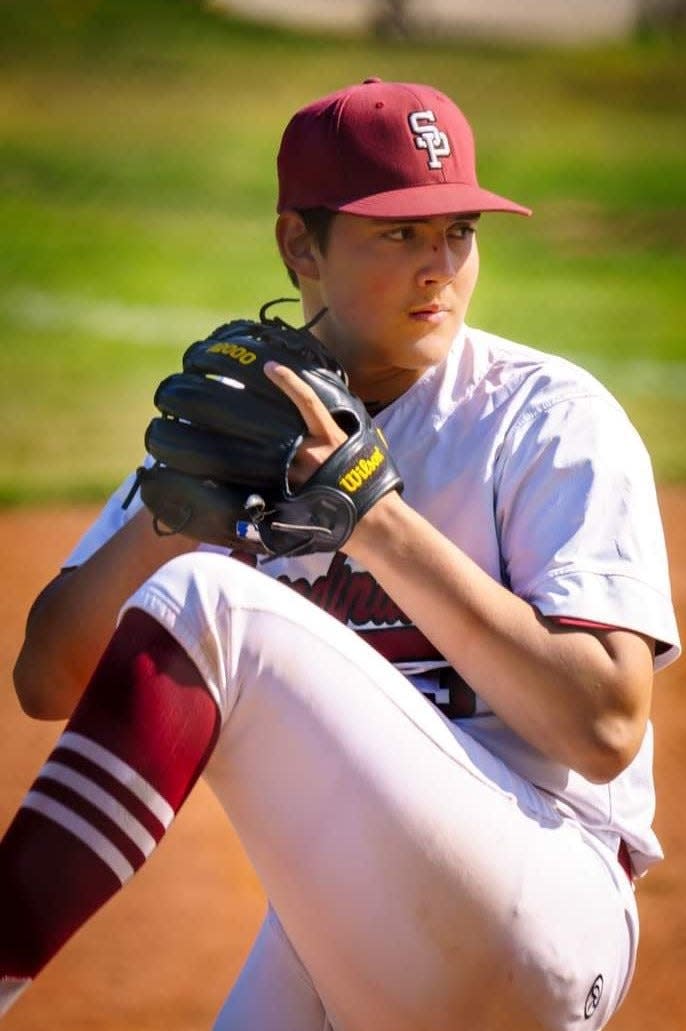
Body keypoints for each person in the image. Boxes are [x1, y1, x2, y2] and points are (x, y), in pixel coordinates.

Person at [2, 78, 680, 1031]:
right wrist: (181, 515)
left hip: (546, 900)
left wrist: (377, 517)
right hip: (349, 932)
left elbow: (606, 725)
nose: (438, 266)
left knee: (210, 600)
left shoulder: (548, 419)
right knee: (193, 581)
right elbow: (48, 677)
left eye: (459, 231)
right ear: (297, 244)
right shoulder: (249, 417)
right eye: (398, 234)